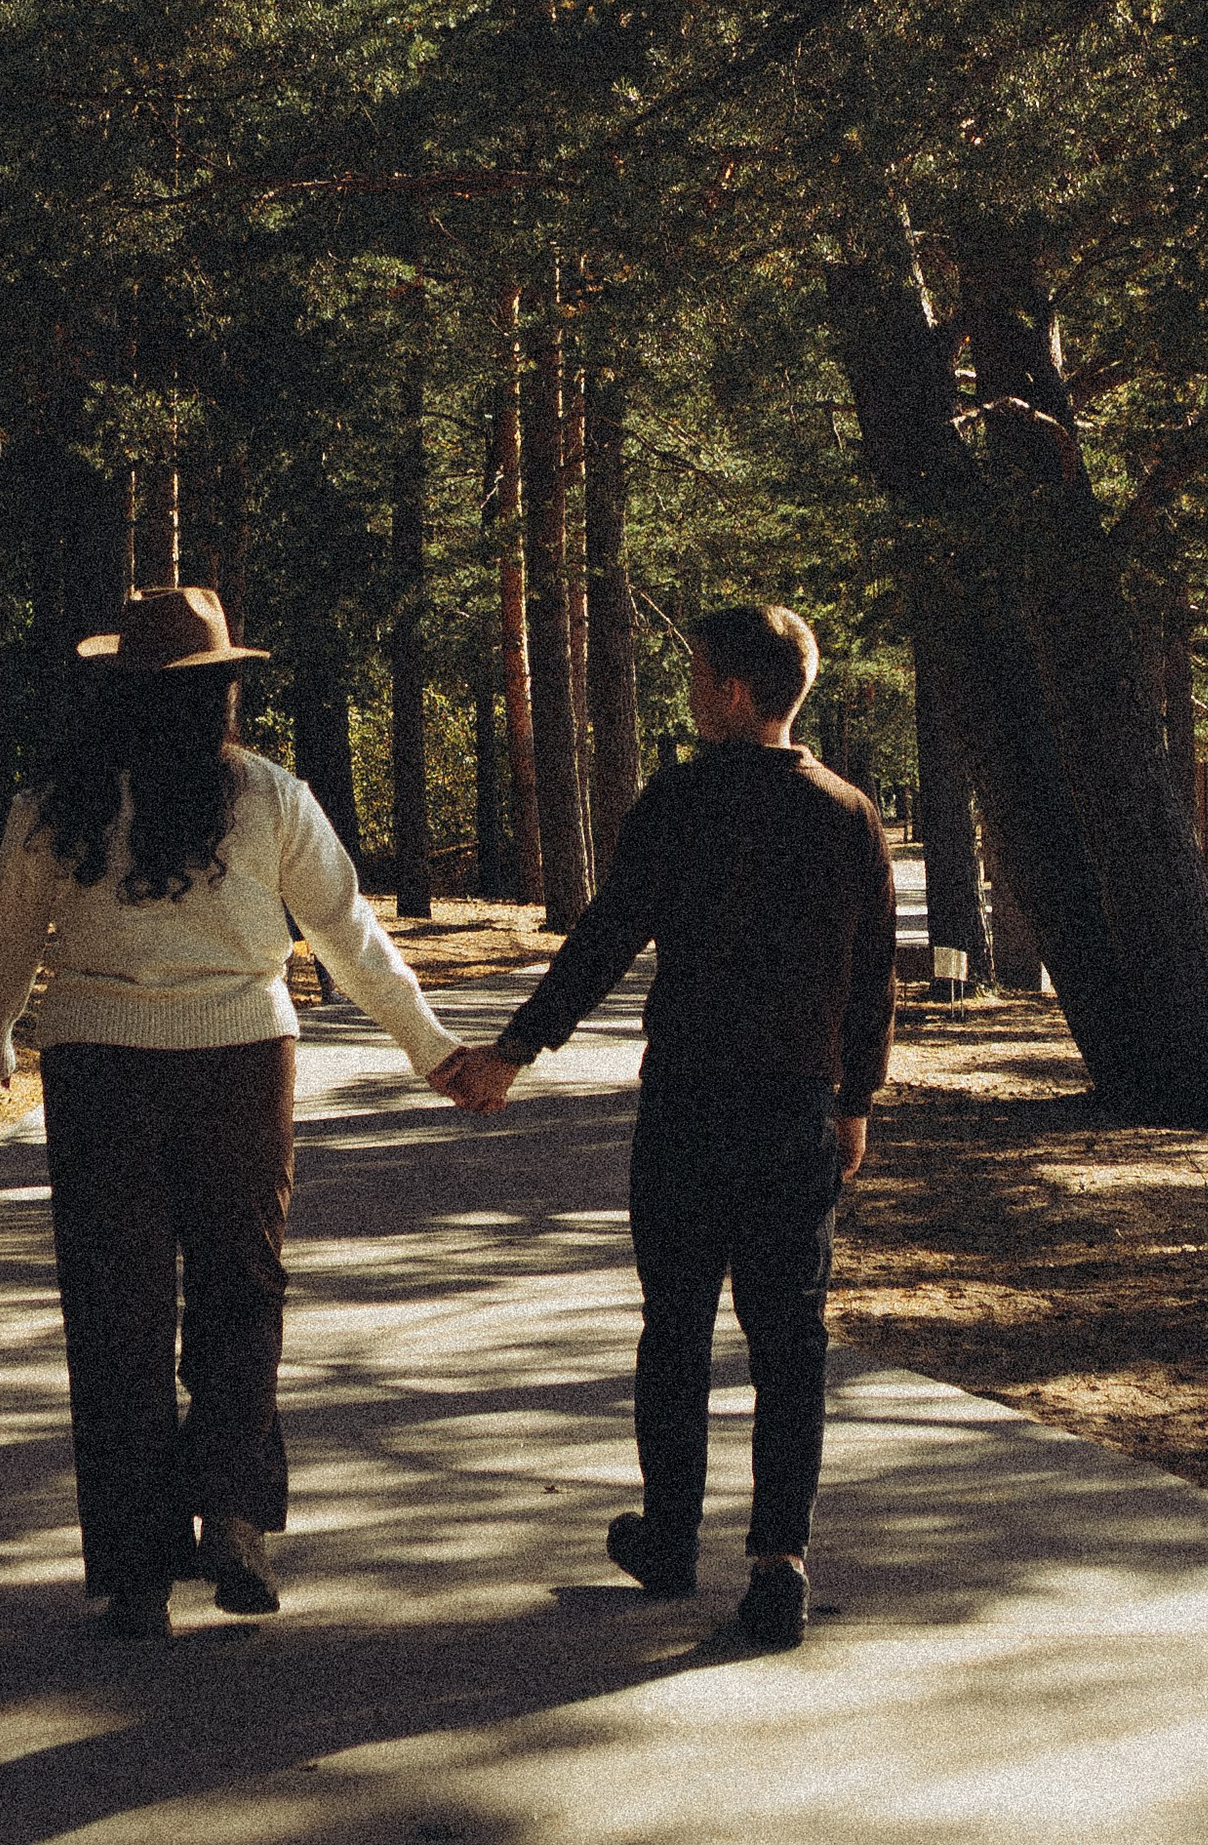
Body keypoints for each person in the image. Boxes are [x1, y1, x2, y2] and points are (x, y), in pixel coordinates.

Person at [0, 585, 469, 1639]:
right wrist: (435, 1051)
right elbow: (346, 934)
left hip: (100, 1072)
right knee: (243, 1287)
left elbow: (4, 934)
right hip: (240, 1064)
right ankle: (233, 1514)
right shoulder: (270, 796)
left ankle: (141, 1572)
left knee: (117, 1312)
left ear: (117, 695)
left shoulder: (55, 803)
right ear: (223, 691)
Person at [439, 604, 896, 1654]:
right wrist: (855, 1101)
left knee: (676, 1327)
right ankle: (778, 1562)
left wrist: (514, 1049)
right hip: (794, 1111)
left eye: (697, 674)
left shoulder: (681, 801)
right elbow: (869, 981)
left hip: (689, 1104)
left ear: (737, 692)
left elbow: (604, 939)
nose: (689, 689)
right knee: (790, 1345)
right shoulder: (848, 813)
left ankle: (671, 1535)